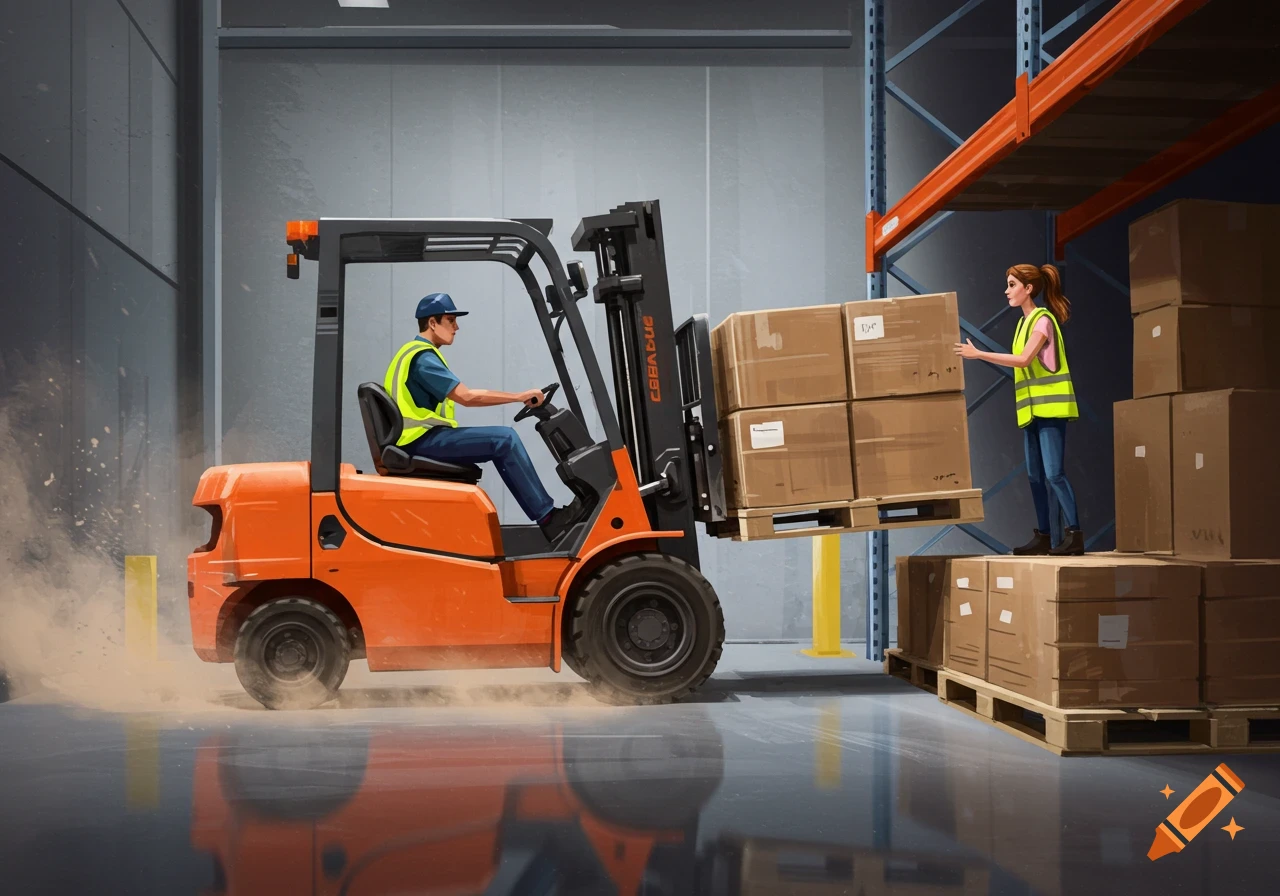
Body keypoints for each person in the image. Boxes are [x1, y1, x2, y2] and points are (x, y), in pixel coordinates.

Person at [384, 293, 587, 544]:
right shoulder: (423, 358)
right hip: (420, 441)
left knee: (502, 440)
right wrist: (518, 396)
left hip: (418, 439)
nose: (456, 327)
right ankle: (550, 521)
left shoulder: (412, 352)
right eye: (450, 320)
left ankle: (548, 517)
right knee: (505, 440)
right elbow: (467, 397)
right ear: (432, 323)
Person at [954, 264, 1084, 556]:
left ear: (1028, 289)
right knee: (1036, 477)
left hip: (1051, 409)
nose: (1007, 290)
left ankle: (1074, 534)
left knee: (1054, 475)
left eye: (1012, 285)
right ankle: (1044, 535)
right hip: (1032, 412)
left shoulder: (1042, 320)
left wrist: (978, 354)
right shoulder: (1024, 325)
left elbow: (1024, 360)